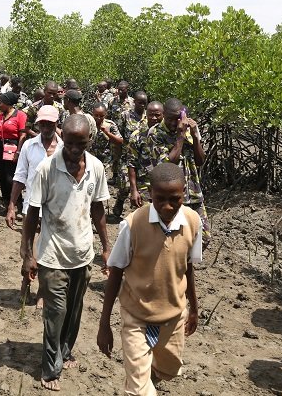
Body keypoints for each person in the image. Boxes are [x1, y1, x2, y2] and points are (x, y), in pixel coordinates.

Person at [21, 114, 111, 391]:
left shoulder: (96, 167)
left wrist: (107, 247)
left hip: (82, 253)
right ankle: (50, 369)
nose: (73, 149)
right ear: (63, 138)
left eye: (80, 144)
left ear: (89, 141)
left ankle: (66, 349)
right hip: (52, 255)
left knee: (74, 310)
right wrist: (28, 253)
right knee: (55, 312)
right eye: (69, 143)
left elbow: (98, 209)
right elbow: (32, 213)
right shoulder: (47, 169)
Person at [97, 163, 202, 396]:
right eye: (160, 199)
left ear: (184, 193)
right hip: (136, 316)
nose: (167, 206)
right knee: (139, 390)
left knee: (169, 370)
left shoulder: (193, 221)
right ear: (149, 194)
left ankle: (148, 375)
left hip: (173, 316)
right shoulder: (133, 224)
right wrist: (104, 324)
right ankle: (141, 383)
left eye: (175, 199)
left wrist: (194, 307)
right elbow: (115, 272)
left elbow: (188, 268)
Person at [6, 105, 63, 306]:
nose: (46, 127)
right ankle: (25, 284)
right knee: (28, 249)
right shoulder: (29, 146)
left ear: (57, 123)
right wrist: (12, 205)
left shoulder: (64, 149)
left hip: (55, 210)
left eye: (50, 123)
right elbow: (20, 176)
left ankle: (42, 292)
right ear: (38, 124)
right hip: (31, 207)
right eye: (42, 123)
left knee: (48, 253)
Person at [149, 98, 210, 242]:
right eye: (169, 118)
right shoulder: (155, 133)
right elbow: (166, 166)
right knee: (170, 237)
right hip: (169, 197)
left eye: (176, 119)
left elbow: (200, 161)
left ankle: (184, 262)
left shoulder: (190, 130)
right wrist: (180, 136)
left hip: (193, 193)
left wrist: (195, 137)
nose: (172, 123)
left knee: (203, 238)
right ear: (163, 115)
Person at [0, 92, 27, 206]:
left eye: (1, 102)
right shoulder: (0, 116)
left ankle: (16, 202)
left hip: (12, 147)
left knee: (11, 176)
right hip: (0, 147)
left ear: (9, 104)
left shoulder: (20, 115)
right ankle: (5, 199)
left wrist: (18, 152)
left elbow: (22, 135)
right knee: (2, 174)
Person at [114, 92, 148, 220]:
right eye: (140, 102)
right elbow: (119, 135)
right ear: (134, 102)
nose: (142, 105)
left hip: (142, 157)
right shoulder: (125, 116)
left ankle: (138, 216)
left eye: (144, 102)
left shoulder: (148, 116)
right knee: (125, 185)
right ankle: (120, 200)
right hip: (126, 155)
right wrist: (116, 157)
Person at [127, 101, 165, 209]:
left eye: (157, 115)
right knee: (142, 221)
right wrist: (133, 190)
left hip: (164, 188)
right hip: (144, 187)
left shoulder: (168, 135)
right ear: (146, 114)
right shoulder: (137, 136)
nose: (154, 118)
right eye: (150, 114)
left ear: (163, 114)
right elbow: (131, 163)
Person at [20, 81, 65, 149]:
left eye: (54, 94)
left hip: (54, 143)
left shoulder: (60, 108)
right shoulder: (34, 107)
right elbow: (27, 128)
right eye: (49, 93)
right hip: (36, 143)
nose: (52, 96)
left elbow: (61, 127)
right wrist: (39, 136)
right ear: (44, 91)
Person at [90, 103, 123, 189]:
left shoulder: (110, 125)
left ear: (106, 114)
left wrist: (107, 133)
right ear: (92, 113)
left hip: (105, 160)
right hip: (90, 158)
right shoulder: (88, 124)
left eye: (101, 116)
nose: (98, 118)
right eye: (96, 115)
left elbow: (120, 141)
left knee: (101, 184)